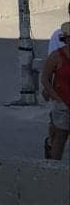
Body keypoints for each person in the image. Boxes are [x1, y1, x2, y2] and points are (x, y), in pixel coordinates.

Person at [40, 22, 70, 160]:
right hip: (62, 102)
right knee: (60, 137)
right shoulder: (56, 56)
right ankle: (52, 169)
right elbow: (45, 78)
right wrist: (54, 96)